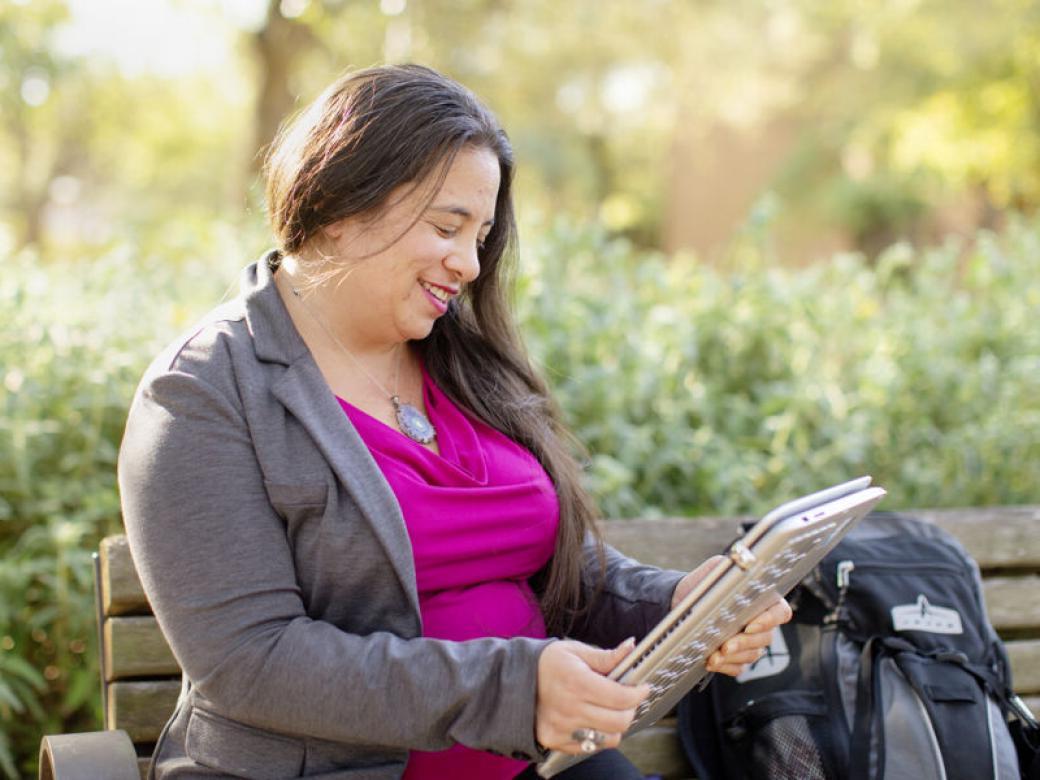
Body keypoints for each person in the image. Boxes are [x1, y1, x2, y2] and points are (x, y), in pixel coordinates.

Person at [118, 64, 791, 780]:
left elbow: (550, 570)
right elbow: (252, 662)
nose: (470, 264)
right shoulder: (202, 393)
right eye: (448, 227)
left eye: (482, 235)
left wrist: (677, 607)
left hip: (544, 766)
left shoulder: (460, 361)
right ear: (343, 203)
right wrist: (516, 688)